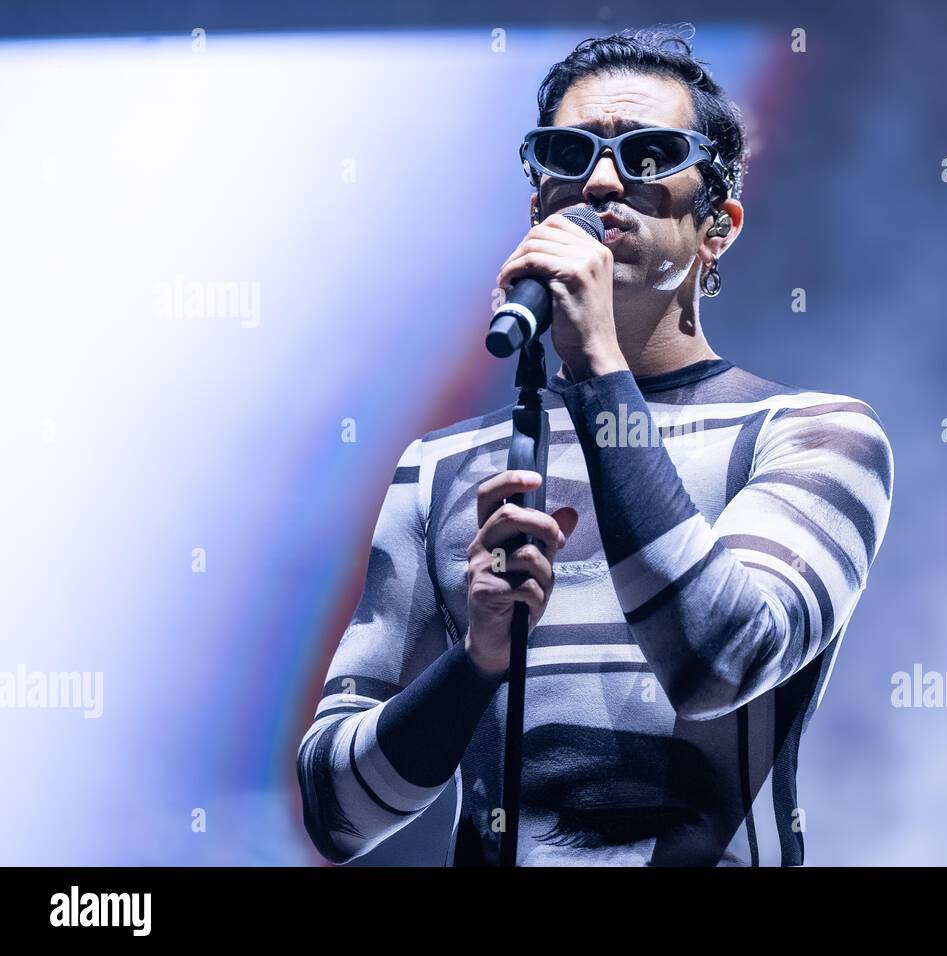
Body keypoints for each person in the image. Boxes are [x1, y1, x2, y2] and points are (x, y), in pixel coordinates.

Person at [297, 25, 894, 866]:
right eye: (567, 153)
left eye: (651, 154)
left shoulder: (814, 438)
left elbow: (721, 663)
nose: (604, 179)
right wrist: (474, 662)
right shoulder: (441, 475)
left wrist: (595, 362)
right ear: (539, 206)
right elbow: (335, 814)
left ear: (717, 226)